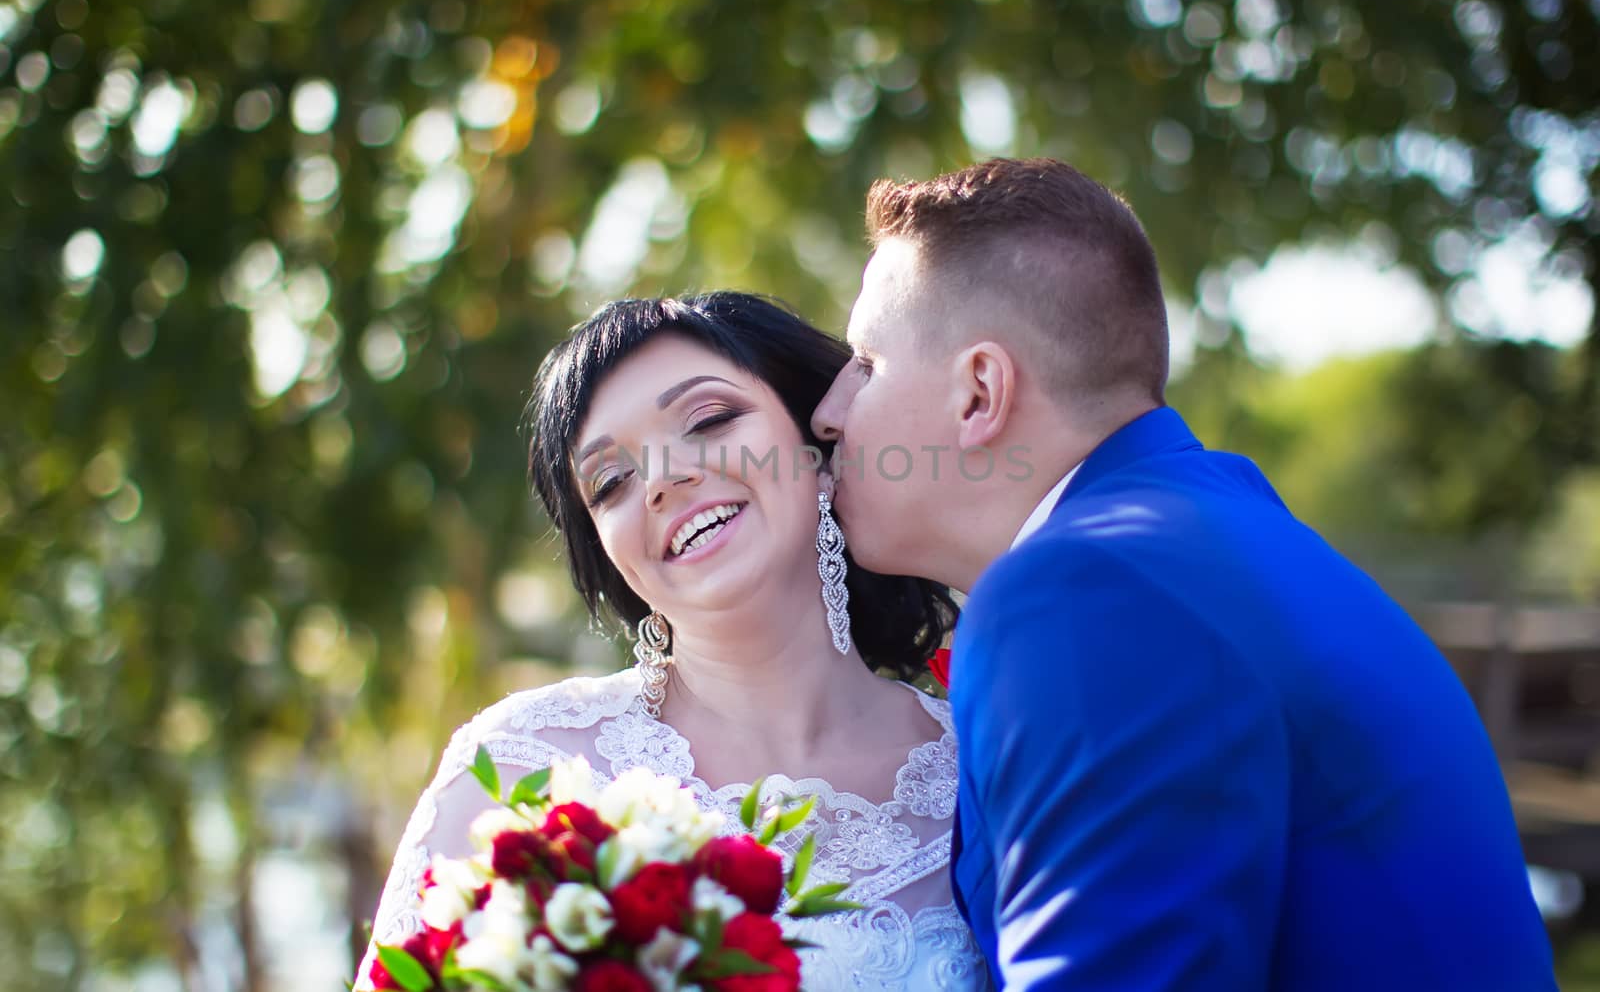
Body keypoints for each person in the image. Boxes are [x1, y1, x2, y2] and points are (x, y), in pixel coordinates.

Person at [810, 157, 1557, 990]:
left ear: (980, 392)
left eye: (868, 363)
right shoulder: (1219, 533)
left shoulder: (1087, 591)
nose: (828, 411)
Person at [356, 292, 991, 990]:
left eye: (710, 419)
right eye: (611, 480)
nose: (663, 479)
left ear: (818, 445)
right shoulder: (521, 769)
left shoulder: (984, 766)